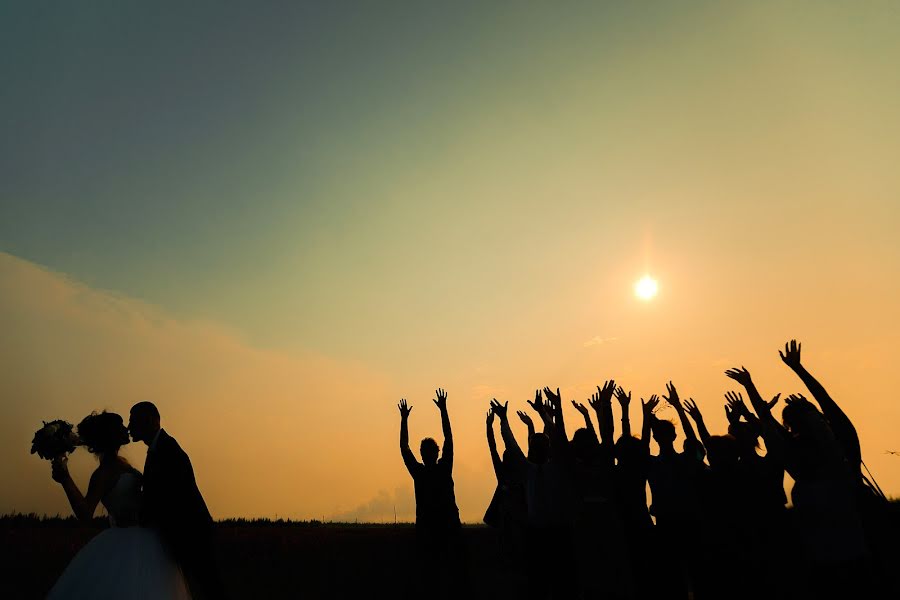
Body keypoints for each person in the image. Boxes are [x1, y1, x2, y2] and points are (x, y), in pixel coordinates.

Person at [47, 411, 190, 599]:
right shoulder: (103, 473)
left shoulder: (122, 464)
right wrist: (66, 479)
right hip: (126, 542)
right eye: (121, 426)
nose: (126, 429)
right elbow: (85, 512)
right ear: (111, 435)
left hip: (147, 536)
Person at [128, 401, 222, 599]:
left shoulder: (168, 450)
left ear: (152, 421)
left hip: (191, 536)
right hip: (184, 536)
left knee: (207, 589)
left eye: (134, 421)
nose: (129, 427)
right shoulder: (159, 448)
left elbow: (168, 498)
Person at [398, 389, 465, 597]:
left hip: (427, 528)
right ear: (437, 452)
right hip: (448, 526)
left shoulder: (419, 472)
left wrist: (404, 420)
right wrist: (444, 410)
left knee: (430, 575)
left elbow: (404, 447)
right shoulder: (444, 467)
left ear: (423, 454)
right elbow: (449, 438)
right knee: (453, 575)